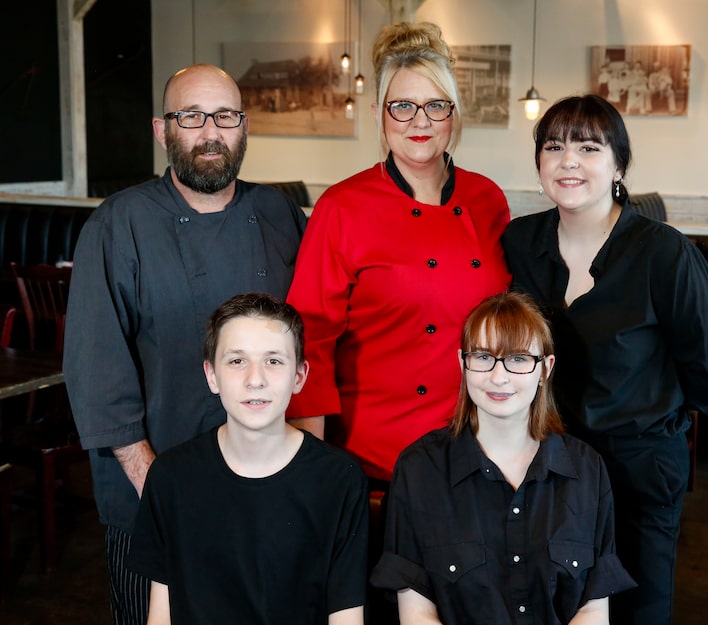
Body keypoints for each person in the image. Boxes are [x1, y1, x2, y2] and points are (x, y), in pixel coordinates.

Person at [63, 64, 307, 625]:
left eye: (224, 116)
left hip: (266, 496)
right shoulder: (117, 224)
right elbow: (97, 373)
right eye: (191, 116)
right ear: (162, 129)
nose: (209, 132)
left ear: (243, 127)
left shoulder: (278, 215)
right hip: (153, 496)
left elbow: (305, 346)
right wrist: (163, 492)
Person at [500, 95, 708, 625]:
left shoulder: (663, 252)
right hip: (548, 463)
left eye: (589, 147)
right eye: (554, 147)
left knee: (637, 609)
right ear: (539, 163)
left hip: (637, 469)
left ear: (618, 165)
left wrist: (660, 413)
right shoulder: (520, 241)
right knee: (553, 604)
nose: (569, 161)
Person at [286, 22, 511, 485]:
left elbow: (509, 320)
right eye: (403, 106)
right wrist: (310, 465)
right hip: (374, 456)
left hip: (477, 444)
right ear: (379, 114)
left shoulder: (487, 199)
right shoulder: (342, 207)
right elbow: (310, 338)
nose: (420, 121)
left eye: (435, 106)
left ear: (454, 113)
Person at [371, 292, 636, 624]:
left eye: (519, 359)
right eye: (483, 357)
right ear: (462, 363)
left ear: (545, 369)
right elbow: (416, 613)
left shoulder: (587, 469)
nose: (499, 377)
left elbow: (594, 609)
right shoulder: (419, 469)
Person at [127, 293, 368, 625]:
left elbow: (346, 614)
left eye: (273, 361)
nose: (256, 379)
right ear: (212, 375)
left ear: (299, 376)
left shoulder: (340, 480)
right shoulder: (170, 476)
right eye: (237, 361)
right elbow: (161, 610)